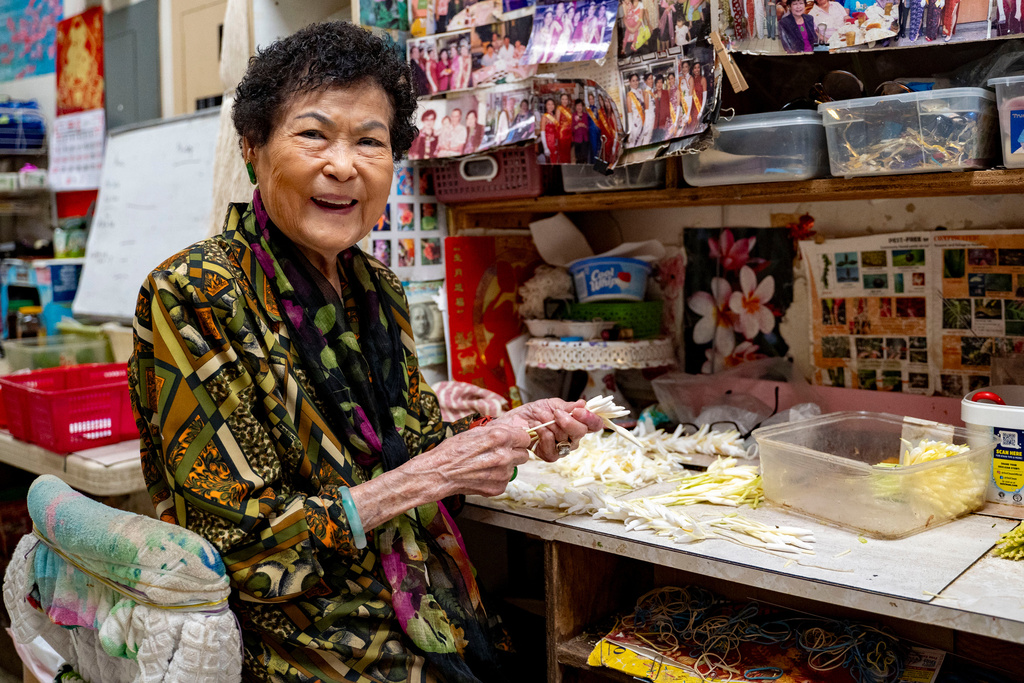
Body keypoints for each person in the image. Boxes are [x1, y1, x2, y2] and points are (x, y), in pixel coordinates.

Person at [129, 22, 603, 683]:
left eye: (370, 141)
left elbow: (409, 449)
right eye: (313, 134)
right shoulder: (198, 295)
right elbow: (244, 550)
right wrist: (439, 472)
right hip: (308, 651)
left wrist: (508, 434)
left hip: (430, 611)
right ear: (253, 148)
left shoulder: (375, 287)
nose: (344, 165)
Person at [626, 73, 645, 147]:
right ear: (630, 82)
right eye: (633, 81)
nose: (635, 83)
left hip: (643, 122)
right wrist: (630, 130)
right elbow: (629, 114)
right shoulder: (629, 96)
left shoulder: (640, 92)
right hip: (636, 124)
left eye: (637, 80)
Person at [541, 97, 561, 162]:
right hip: (549, 143)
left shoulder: (554, 116)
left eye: (552, 104)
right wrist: (545, 147)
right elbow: (542, 133)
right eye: (548, 104)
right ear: (546, 106)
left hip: (556, 142)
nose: (551, 106)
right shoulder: (544, 117)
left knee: (556, 159)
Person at [556, 93, 574, 162]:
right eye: (563, 99)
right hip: (562, 134)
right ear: (560, 100)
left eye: (566, 99)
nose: (564, 101)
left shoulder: (569, 110)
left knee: (568, 152)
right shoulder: (559, 109)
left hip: (568, 134)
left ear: (568, 100)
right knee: (562, 153)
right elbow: (557, 123)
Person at [571, 98, 590, 163]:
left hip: (585, 139)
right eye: (577, 105)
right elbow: (572, 129)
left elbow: (588, 128)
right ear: (575, 107)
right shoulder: (573, 115)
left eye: (580, 105)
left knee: (585, 157)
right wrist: (577, 126)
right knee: (578, 158)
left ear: (582, 107)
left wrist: (584, 126)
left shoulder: (586, 115)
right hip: (577, 140)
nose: (579, 107)